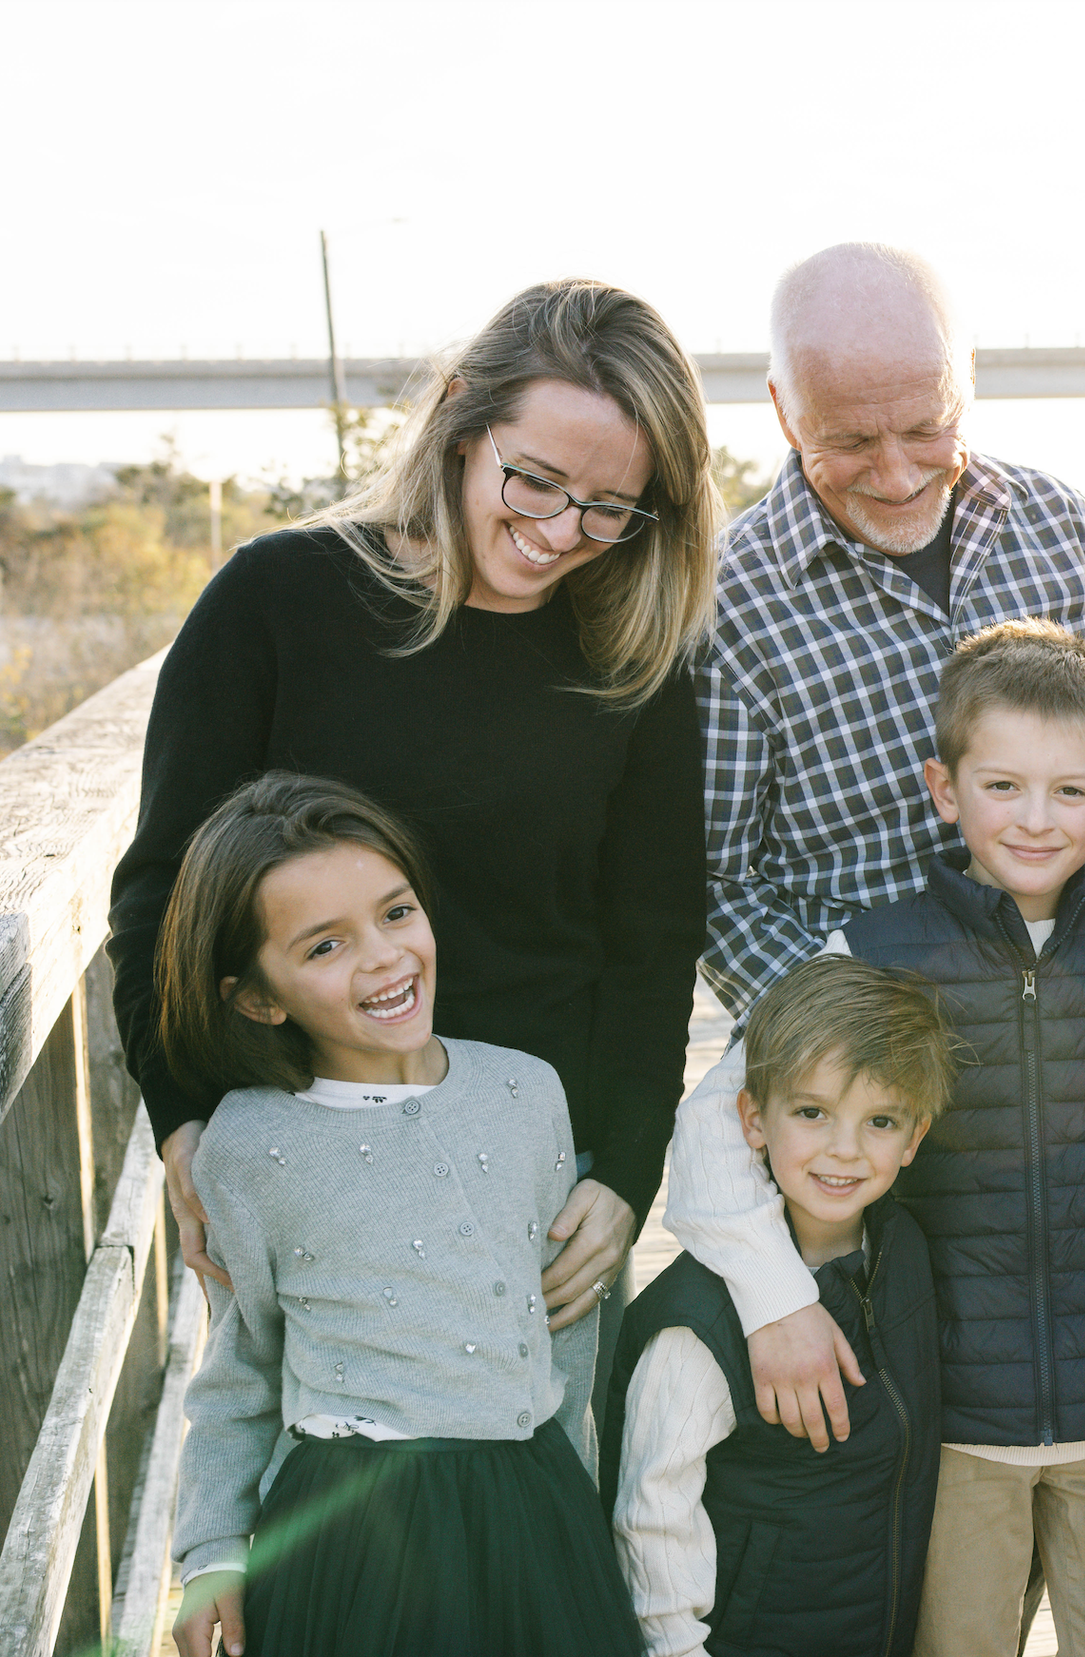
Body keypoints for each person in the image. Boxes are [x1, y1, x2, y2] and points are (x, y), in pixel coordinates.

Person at [108, 279, 716, 1344]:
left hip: (541, 1176)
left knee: (535, 1502)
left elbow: (652, 943)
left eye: (610, 506)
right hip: (303, 1161)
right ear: (458, 422)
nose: (560, 531)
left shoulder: (635, 664)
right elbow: (163, 888)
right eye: (534, 481)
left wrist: (625, 1171)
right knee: (302, 1500)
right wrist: (183, 1122)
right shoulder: (275, 601)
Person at [668, 621, 1085, 1657]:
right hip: (946, 1418)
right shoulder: (875, 953)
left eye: (1070, 791)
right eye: (1001, 786)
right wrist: (775, 1301)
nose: (1035, 819)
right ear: (943, 789)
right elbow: (716, 1118)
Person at [702, 241, 1085, 1449]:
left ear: (966, 385)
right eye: (850, 442)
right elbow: (713, 882)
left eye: (927, 426)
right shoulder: (731, 601)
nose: (899, 470)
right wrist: (853, 1047)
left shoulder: (1057, 525)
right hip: (878, 1139)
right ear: (778, 410)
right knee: (911, 1492)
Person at [164, 774, 635, 1657]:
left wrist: (576, 1509)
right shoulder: (250, 1145)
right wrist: (212, 1552)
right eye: (324, 945)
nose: (383, 956)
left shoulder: (528, 1091)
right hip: (355, 1538)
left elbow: (562, 1330)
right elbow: (239, 1367)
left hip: (534, 1514)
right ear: (258, 996)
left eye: (396, 911)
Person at [607, 956, 950, 1657]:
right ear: (753, 1119)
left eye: (880, 1119)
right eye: (812, 1112)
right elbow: (652, 1513)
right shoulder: (697, 1321)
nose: (844, 1149)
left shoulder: (904, 1251)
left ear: (915, 1136)